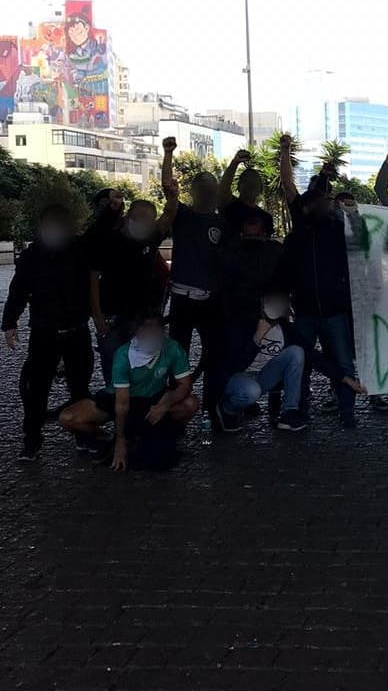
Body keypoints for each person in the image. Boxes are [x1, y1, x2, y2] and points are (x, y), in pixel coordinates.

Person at [2, 205, 94, 461]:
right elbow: (18, 288)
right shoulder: (32, 256)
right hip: (44, 332)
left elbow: (99, 232)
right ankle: (31, 440)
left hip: (77, 330)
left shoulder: (79, 249)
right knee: (36, 390)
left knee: (80, 386)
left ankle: (83, 433)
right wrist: (10, 321)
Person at [59, 309, 198, 471]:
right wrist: (120, 440)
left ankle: (167, 432)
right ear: (137, 334)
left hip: (154, 398)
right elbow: (122, 403)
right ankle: (106, 439)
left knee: (190, 404)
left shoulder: (172, 348)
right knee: (68, 417)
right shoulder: (123, 355)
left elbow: (185, 385)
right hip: (117, 398)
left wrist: (164, 405)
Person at [217, 286, 366, 432]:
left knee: (296, 351)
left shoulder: (285, 329)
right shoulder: (244, 324)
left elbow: (313, 356)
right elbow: (235, 364)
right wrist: (257, 337)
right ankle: (227, 410)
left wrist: (346, 379)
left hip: (262, 377)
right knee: (251, 391)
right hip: (238, 378)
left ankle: (290, 411)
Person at [280, 174, 359, 429]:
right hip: (305, 312)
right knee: (301, 362)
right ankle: (299, 408)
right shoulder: (295, 239)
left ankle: (347, 410)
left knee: (343, 362)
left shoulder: (339, 232)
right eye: (320, 203)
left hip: (334, 311)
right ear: (307, 208)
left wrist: (353, 216)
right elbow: (287, 270)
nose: (326, 207)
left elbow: (362, 240)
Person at [160, 136, 226, 422]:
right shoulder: (182, 214)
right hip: (182, 299)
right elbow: (168, 190)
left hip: (210, 300)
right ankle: (176, 410)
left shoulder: (222, 223)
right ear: (194, 191)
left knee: (215, 354)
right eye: (203, 188)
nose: (208, 193)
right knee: (178, 355)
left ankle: (214, 406)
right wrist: (168, 154)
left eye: (212, 189)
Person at [89, 190, 178, 386]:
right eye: (139, 217)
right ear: (128, 216)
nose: (143, 222)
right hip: (112, 315)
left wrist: (172, 193)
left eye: (149, 219)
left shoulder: (151, 237)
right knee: (113, 367)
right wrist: (96, 313)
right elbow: (93, 278)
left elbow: (170, 213)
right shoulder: (108, 240)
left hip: (141, 316)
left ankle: (140, 407)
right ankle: (116, 407)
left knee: (144, 364)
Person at [219, 148, 274, 237]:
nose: (251, 186)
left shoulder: (266, 218)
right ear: (239, 187)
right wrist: (235, 163)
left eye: (254, 183)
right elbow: (223, 188)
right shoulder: (230, 206)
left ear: (260, 189)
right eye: (247, 182)